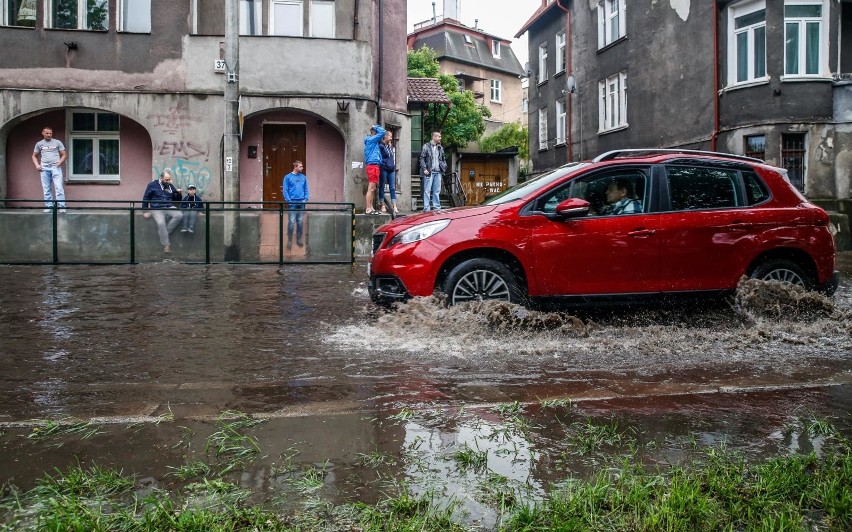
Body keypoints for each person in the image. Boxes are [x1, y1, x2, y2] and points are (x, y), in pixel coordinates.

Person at [142, 169, 184, 253]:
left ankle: (164, 233)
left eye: (169, 179)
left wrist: (179, 193)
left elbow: (177, 199)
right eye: (166, 180)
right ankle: (166, 245)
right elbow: (146, 197)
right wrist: (145, 211)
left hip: (168, 206)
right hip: (156, 208)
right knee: (161, 223)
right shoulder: (152, 185)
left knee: (179, 215)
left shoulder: (170, 186)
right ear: (161, 178)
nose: (168, 181)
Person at [31, 126, 67, 211]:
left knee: (58, 187)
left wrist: (58, 164)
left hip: (55, 167)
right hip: (44, 167)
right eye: (47, 133)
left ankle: (61, 207)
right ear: (43, 133)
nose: (49, 135)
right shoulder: (39, 144)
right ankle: (48, 206)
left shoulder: (57, 142)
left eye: (50, 133)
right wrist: (37, 165)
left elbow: (64, 154)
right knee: (46, 188)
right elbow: (34, 156)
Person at [282, 160, 309, 249]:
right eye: (300, 166)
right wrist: (289, 201)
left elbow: (306, 189)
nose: (302, 168)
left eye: (302, 166)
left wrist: (305, 199)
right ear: (295, 167)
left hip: (301, 202)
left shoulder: (303, 177)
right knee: (292, 222)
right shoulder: (287, 177)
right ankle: (289, 240)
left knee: (300, 221)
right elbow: (285, 190)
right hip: (292, 202)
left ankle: (299, 239)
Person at [418, 131, 447, 211]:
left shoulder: (440, 147)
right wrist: (424, 169)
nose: (440, 138)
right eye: (439, 137)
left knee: (436, 191)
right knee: (427, 190)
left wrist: (444, 167)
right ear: (434, 137)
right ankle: (426, 208)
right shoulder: (426, 146)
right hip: (429, 172)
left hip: (438, 172)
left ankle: (436, 207)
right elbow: (422, 158)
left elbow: (443, 159)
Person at [363, 124, 386, 215]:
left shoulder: (373, 142)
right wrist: (374, 126)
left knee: (373, 188)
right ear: (374, 134)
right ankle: (368, 209)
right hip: (372, 166)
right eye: (376, 134)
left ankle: (371, 208)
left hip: (375, 166)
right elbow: (383, 132)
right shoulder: (371, 140)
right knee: (371, 188)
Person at [378, 131, 398, 215]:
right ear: (385, 136)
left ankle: (394, 205)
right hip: (384, 169)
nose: (391, 138)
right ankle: (382, 204)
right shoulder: (381, 146)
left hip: (391, 169)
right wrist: (383, 164)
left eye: (391, 136)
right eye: (390, 136)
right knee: (382, 186)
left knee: (392, 187)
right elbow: (379, 157)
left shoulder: (390, 146)